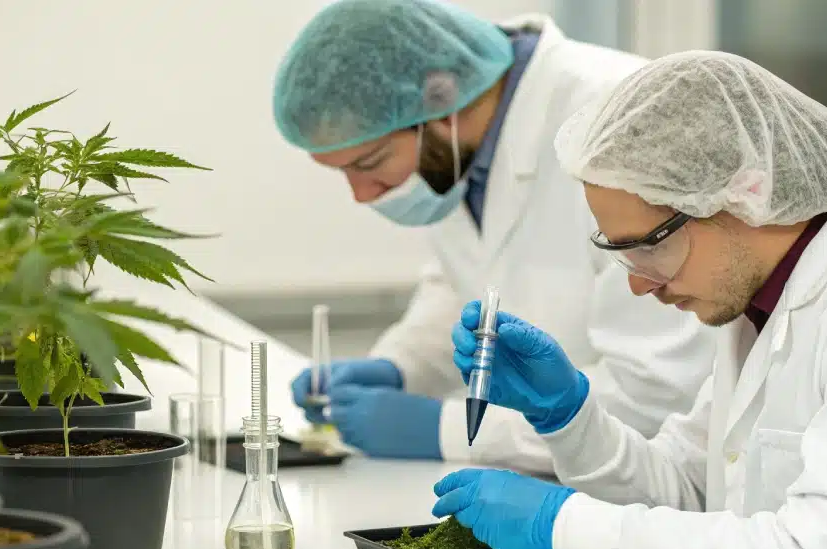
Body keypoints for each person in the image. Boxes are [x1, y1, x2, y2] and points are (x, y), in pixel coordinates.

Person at [438, 50, 827, 549]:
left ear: (743, 195)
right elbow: (691, 493)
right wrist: (567, 417)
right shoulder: (766, 300)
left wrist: (561, 524)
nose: (639, 284)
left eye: (647, 248)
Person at [271, 0, 714, 469]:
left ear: (440, 100)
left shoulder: (621, 117)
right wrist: (401, 368)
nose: (362, 194)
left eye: (369, 163)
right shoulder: (457, 146)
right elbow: (465, 289)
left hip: (657, 493)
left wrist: (450, 430)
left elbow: (656, 394)